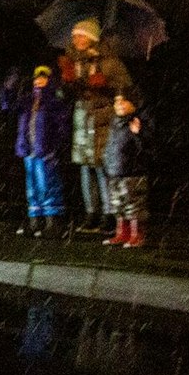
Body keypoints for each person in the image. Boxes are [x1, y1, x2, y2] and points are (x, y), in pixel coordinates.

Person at [64, 19, 125, 234]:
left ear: (92, 38)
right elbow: (68, 94)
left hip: (102, 118)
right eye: (74, 36)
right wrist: (68, 84)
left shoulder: (109, 61)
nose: (76, 39)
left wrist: (105, 87)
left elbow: (124, 88)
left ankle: (109, 213)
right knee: (85, 166)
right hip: (83, 118)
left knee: (101, 165)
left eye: (81, 35)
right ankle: (91, 212)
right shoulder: (73, 61)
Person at [7, 65, 70, 237]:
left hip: (45, 151)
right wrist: (9, 88)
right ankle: (35, 221)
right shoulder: (28, 100)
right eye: (37, 78)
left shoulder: (54, 101)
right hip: (29, 150)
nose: (39, 81)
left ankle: (52, 221)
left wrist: (55, 147)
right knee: (32, 187)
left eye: (43, 78)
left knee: (48, 185)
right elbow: (9, 105)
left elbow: (62, 127)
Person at [101, 87, 149, 247]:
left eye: (123, 101)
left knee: (133, 205)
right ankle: (122, 233)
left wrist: (138, 133)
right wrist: (107, 163)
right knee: (118, 204)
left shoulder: (137, 121)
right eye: (116, 101)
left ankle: (137, 235)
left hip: (132, 172)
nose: (119, 104)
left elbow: (146, 147)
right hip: (115, 171)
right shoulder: (115, 122)